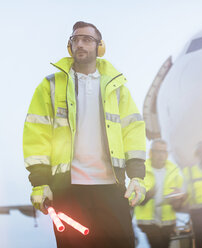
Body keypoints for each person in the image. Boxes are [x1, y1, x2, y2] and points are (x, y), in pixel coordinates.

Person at [23, 21, 146, 248]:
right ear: (70, 46)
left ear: (100, 47)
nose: (80, 43)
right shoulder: (49, 86)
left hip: (111, 187)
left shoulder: (117, 88)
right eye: (75, 39)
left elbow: (133, 131)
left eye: (87, 39)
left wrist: (137, 176)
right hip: (68, 189)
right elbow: (36, 133)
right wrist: (39, 182)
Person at [135, 139, 185, 248]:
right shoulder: (141, 170)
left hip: (168, 223)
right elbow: (133, 199)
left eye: (163, 152)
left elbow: (179, 205)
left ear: (167, 154)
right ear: (151, 153)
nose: (161, 155)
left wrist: (179, 199)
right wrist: (146, 196)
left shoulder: (174, 171)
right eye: (158, 151)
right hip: (147, 223)